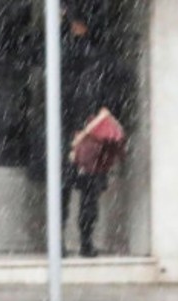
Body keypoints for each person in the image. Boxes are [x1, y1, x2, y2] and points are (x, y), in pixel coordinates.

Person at [61, 5, 117, 258]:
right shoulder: (90, 55)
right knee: (82, 190)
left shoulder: (82, 54)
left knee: (79, 189)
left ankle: (78, 241)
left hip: (81, 128)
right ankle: (81, 241)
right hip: (80, 128)